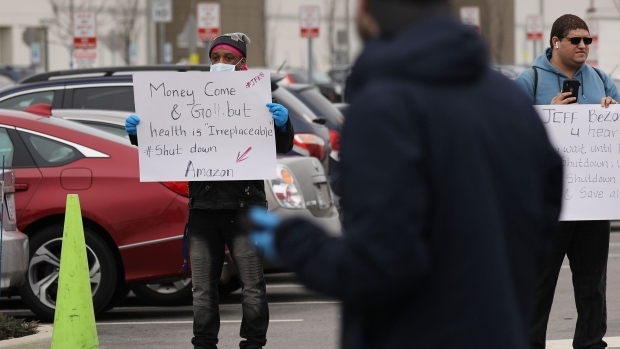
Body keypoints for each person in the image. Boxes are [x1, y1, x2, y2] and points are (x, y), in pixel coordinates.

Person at [247, 0, 563, 348]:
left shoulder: (384, 107)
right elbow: (543, 224)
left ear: (366, 13)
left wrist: (295, 242)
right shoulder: (510, 101)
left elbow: (380, 264)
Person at [125, 32, 294, 349]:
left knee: (253, 284)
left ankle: (253, 344)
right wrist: (140, 134)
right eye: (215, 58)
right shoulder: (193, 97)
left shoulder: (258, 99)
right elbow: (167, 143)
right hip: (203, 209)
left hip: (246, 208)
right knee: (202, 287)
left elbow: (282, 146)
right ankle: (203, 344)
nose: (220, 64)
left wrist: (283, 124)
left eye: (228, 58)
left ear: (243, 62)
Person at [514, 14, 619, 349]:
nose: (584, 46)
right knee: (538, 286)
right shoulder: (528, 81)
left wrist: (612, 111)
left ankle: (591, 344)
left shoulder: (602, 80)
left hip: (591, 202)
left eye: (588, 40)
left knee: (593, 287)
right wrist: (547, 113)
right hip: (545, 207)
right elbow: (510, 135)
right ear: (556, 42)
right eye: (576, 40)